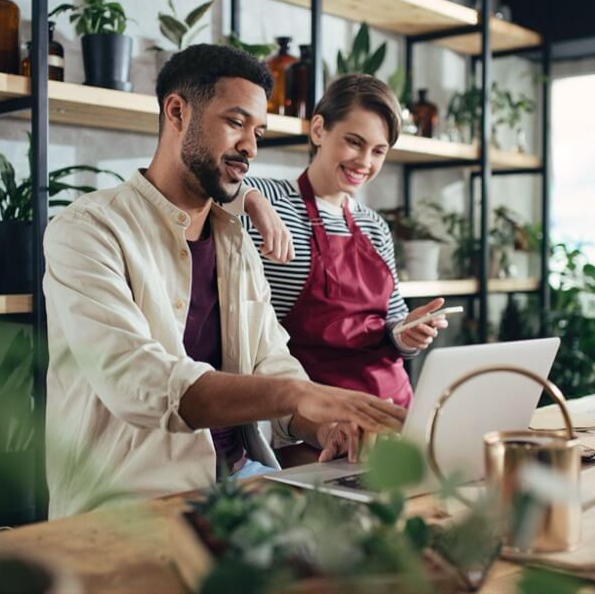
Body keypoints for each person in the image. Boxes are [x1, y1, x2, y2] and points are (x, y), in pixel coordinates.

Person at [42, 46, 406, 518]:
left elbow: (270, 360)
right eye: (236, 123)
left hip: (242, 485)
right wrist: (302, 394)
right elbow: (137, 381)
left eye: (258, 131)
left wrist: (322, 426)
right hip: (131, 508)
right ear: (177, 112)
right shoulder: (88, 230)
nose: (251, 147)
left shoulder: (234, 240)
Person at [239, 74, 451, 409]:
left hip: (393, 405)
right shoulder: (270, 201)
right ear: (319, 129)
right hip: (313, 413)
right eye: (354, 142)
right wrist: (250, 199)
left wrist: (408, 334)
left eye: (378, 151)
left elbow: (391, 328)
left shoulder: (375, 226)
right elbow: (208, 188)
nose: (364, 162)